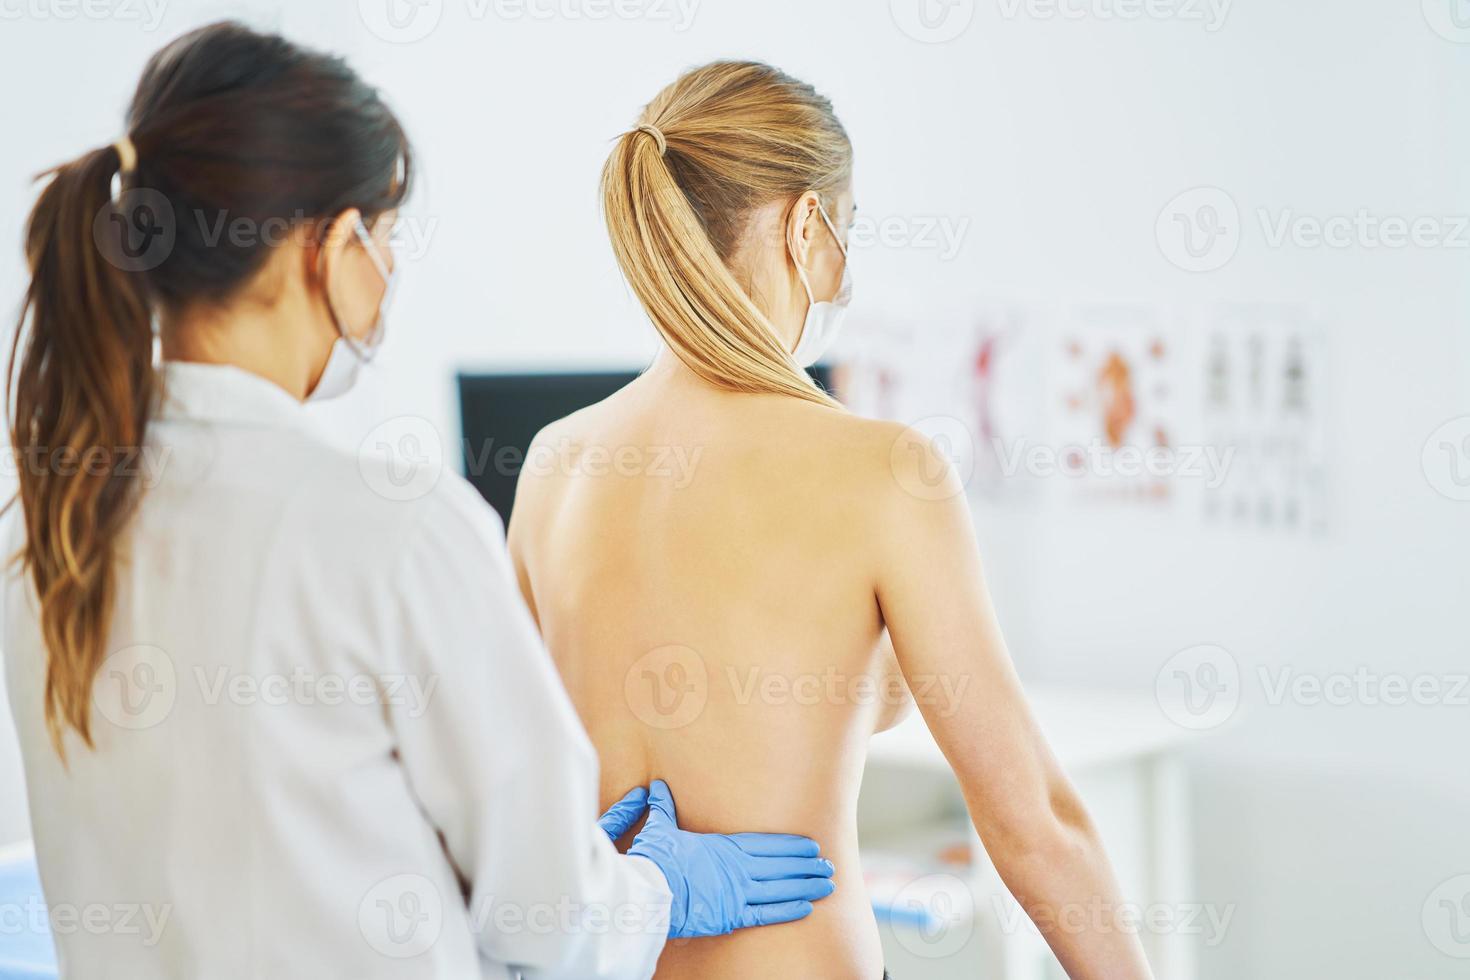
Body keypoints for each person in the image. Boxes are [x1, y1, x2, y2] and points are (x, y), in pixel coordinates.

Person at [1, 24, 835, 980]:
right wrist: (644, 887)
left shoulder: (42, 528)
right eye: (384, 237)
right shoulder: (388, 528)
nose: (389, 272)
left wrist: (494, 860)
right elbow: (552, 923)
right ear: (323, 244)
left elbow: (262, 841)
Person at [508, 62, 1156, 979]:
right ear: (808, 225)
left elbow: (523, 793)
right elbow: (1033, 825)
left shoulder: (553, 463)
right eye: (846, 231)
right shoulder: (885, 471)